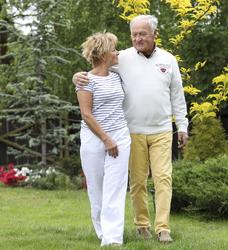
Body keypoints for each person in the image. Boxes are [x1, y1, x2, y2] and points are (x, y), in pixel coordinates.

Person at [74, 15, 188, 243]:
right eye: (134, 34)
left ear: (154, 34)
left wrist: (182, 125)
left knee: (163, 178)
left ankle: (163, 228)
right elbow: (97, 72)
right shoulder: (121, 58)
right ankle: (142, 225)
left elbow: (177, 95)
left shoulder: (169, 59)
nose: (137, 38)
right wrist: (76, 76)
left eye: (142, 34)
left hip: (162, 129)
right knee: (137, 181)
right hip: (131, 130)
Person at [76, 32, 131, 247]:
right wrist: (106, 140)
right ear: (103, 54)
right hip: (94, 139)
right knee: (97, 189)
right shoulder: (84, 80)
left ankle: (112, 239)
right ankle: (102, 232)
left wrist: (113, 139)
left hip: (120, 136)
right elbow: (86, 114)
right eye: (114, 49)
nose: (117, 52)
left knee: (115, 188)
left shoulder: (118, 75)